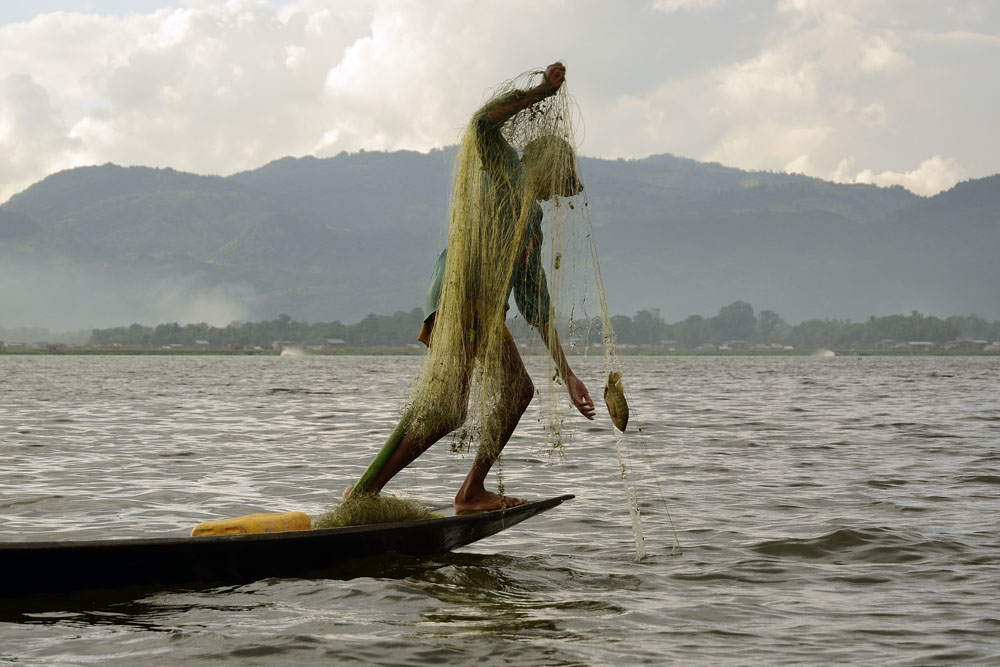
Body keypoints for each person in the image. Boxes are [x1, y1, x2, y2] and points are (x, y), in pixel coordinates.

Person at [349, 62, 595, 512]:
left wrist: (568, 373)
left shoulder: (532, 222)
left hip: (484, 309)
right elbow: (483, 124)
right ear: (542, 164)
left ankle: (468, 492)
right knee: (446, 406)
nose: (561, 193)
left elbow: (535, 302)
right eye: (562, 180)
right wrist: (541, 91)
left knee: (508, 393)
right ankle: (366, 490)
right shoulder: (505, 172)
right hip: (459, 297)